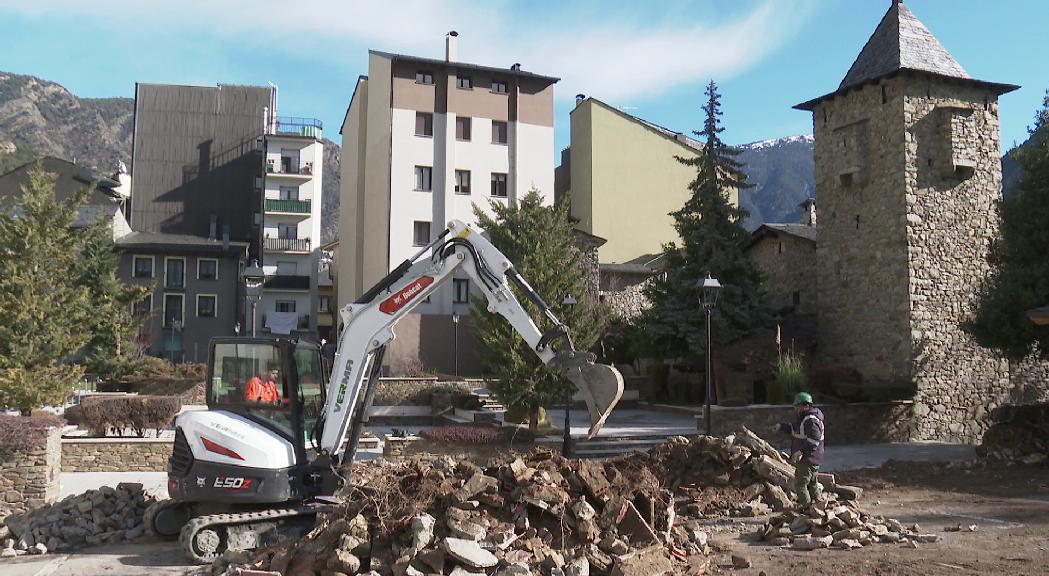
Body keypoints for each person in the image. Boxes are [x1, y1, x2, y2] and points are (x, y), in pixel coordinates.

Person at [772, 392, 825, 508]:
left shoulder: (811, 420)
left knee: (800, 484)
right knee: (812, 483)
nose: (795, 408)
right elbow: (795, 428)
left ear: (805, 405)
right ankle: (818, 506)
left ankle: (807, 509)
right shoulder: (805, 418)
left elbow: (814, 439)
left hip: (808, 458)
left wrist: (801, 452)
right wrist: (781, 426)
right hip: (813, 457)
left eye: (797, 406)